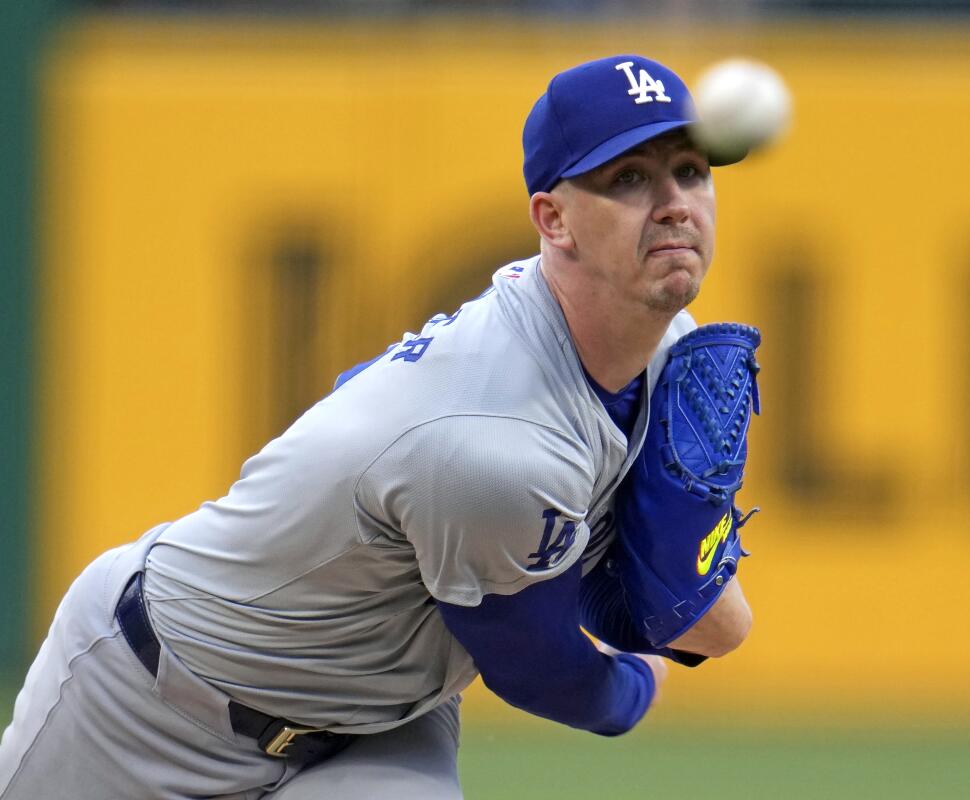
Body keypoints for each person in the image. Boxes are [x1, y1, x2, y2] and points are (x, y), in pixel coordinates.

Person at [0, 53, 757, 799]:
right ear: (551, 219)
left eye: (690, 171)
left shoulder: (654, 350)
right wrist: (646, 677)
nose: (674, 204)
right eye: (628, 178)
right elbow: (541, 670)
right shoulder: (494, 442)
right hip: (142, 704)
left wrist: (690, 594)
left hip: (375, 731)